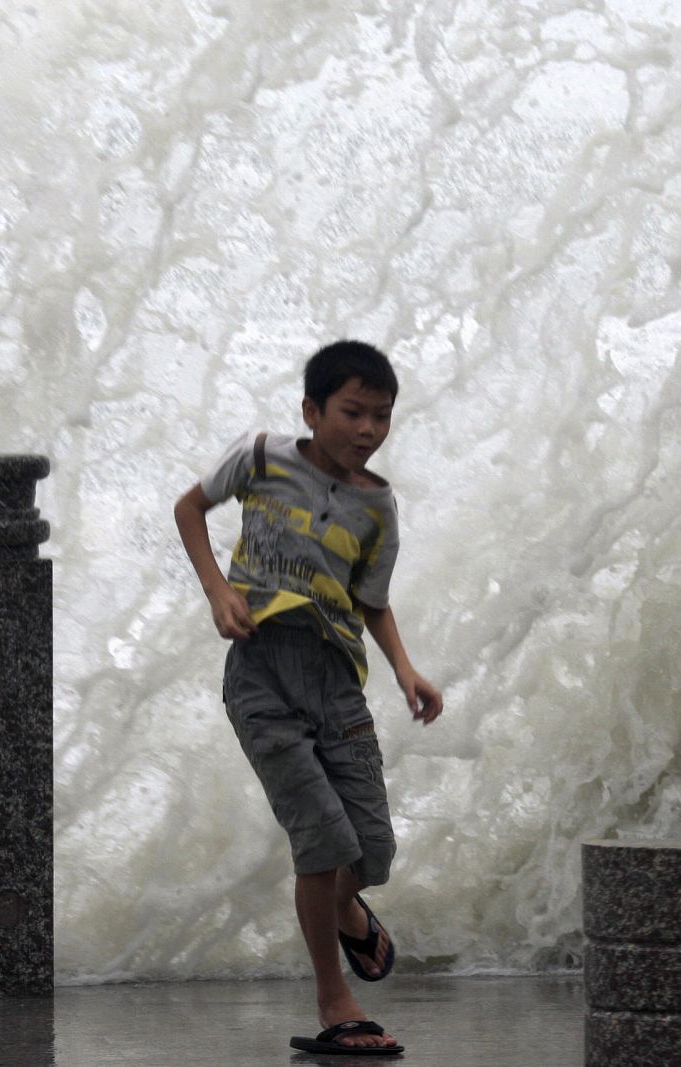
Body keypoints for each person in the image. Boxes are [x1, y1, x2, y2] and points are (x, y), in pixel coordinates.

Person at [173, 340, 443, 1056]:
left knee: (373, 849)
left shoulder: (377, 504)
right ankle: (335, 1001)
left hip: (337, 684)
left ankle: (342, 909)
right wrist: (218, 590)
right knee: (322, 840)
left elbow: (371, 600)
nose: (368, 429)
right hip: (262, 675)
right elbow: (190, 508)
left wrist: (406, 670)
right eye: (353, 412)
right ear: (311, 410)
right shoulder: (260, 457)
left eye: (382, 417)